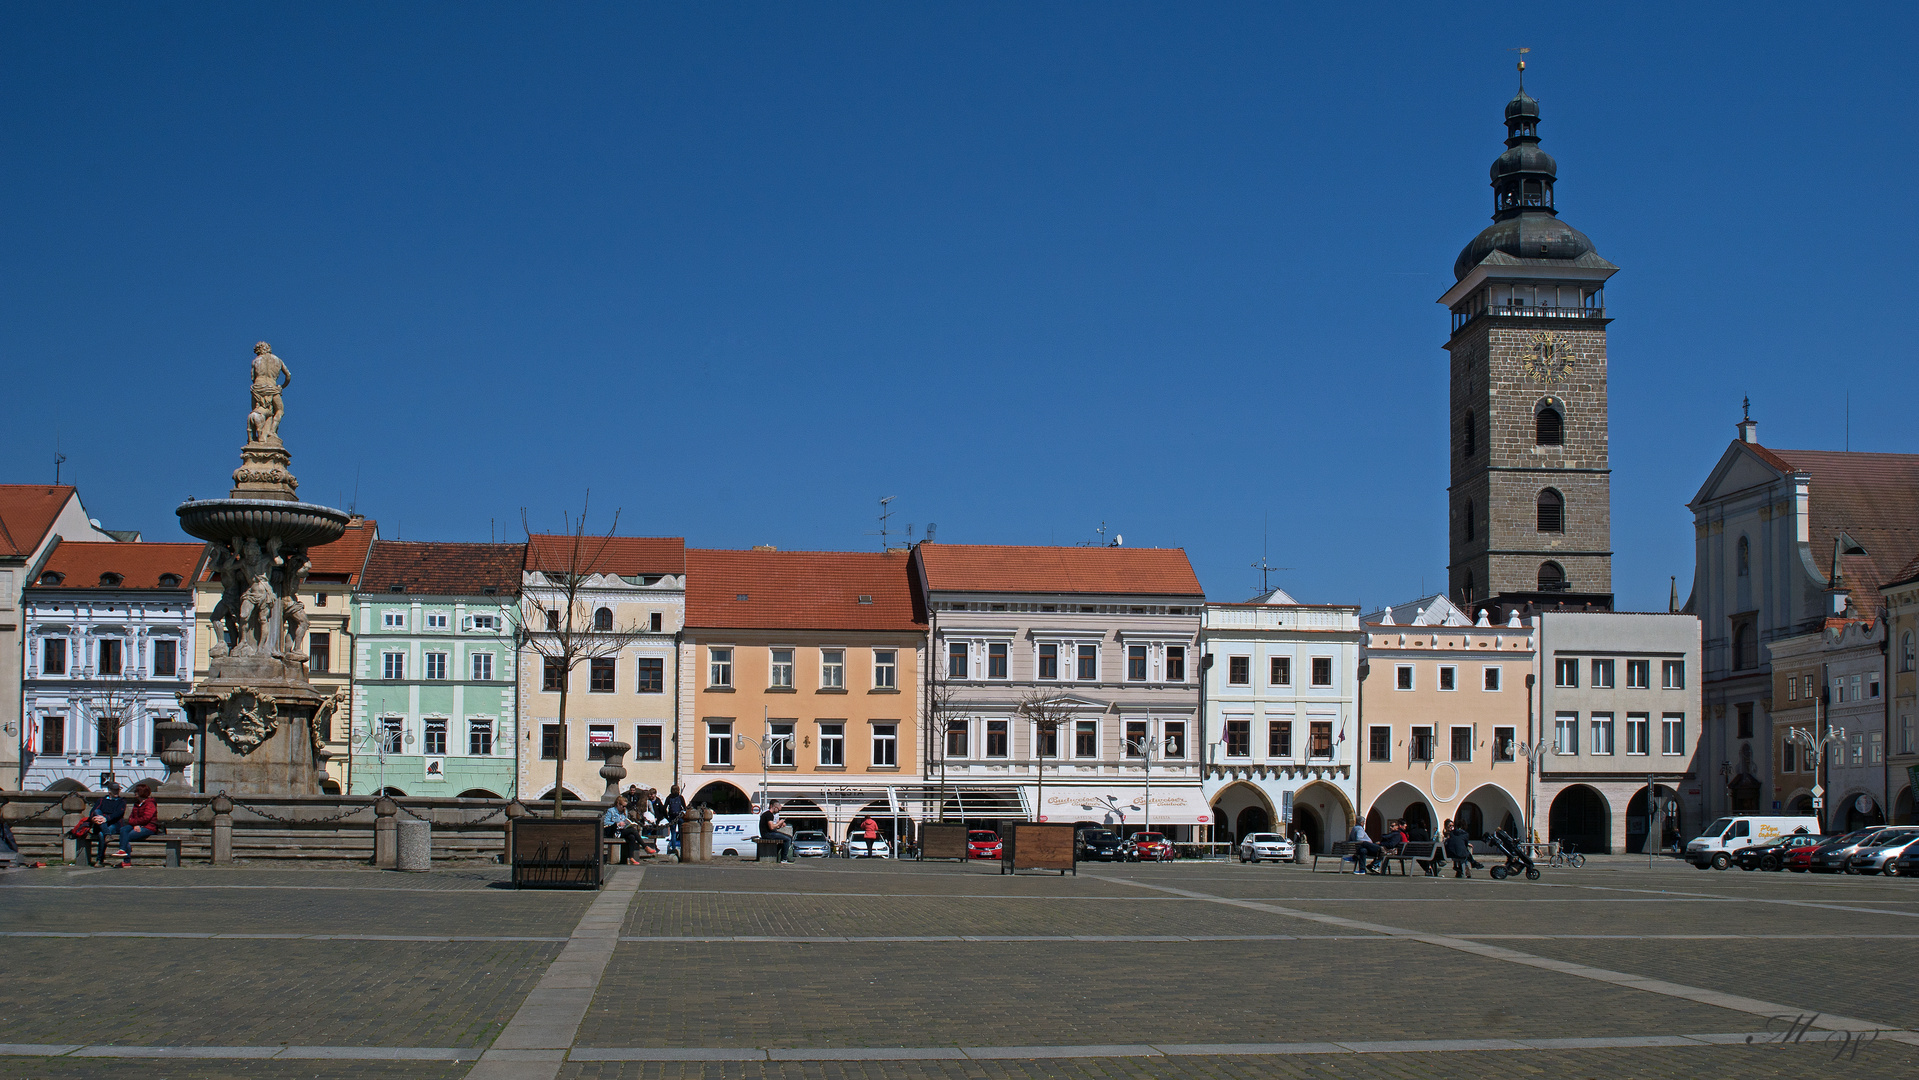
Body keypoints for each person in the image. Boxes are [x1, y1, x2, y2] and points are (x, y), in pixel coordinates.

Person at [111, 782, 163, 867]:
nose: (135, 793)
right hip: (136, 825)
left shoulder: (150, 803)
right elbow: (131, 818)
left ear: (141, 793)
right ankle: (123, 851)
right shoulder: (137, 804)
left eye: (136, 791)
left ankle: (126, 859)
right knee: (123, 830)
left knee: (126, 836)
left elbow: (147, 818)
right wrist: (136, 824)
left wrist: (138, 824)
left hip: (148, 827)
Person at [87, 782, 127, 866]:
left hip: (114, 824)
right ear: (109, 791)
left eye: (118, 790)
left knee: (102, 834)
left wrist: (104, 818)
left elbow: (118, 814)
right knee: (97, 811)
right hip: (100, 825)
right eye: (114, 790)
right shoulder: (102, 800)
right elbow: (93, 812)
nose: (116, 792)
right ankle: (107, 834)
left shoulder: (121, 801)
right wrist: (94, 819)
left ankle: (99, 859)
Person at [601, 797, 643, 865]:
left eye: (625, 806)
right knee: (632, 831)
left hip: (622, 831)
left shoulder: (625, 811)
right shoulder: (611, 811)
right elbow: (606, 823)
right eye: (623, 806)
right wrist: (617, 824)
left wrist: (628, 824)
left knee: (631, 837)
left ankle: (631, 857)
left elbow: (625, 820)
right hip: (614, 832)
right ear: (618, 804)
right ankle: (644, 846)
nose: (624, 808)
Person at [664, 785, 686, 855]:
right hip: (679, 817)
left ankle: (673, 848)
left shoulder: (669, 797)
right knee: (681, 833)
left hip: (672, 817)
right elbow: (685, 807)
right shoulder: (680, 797)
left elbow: (664, 807)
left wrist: (667, 817)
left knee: (673, 834)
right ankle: (683, 847)